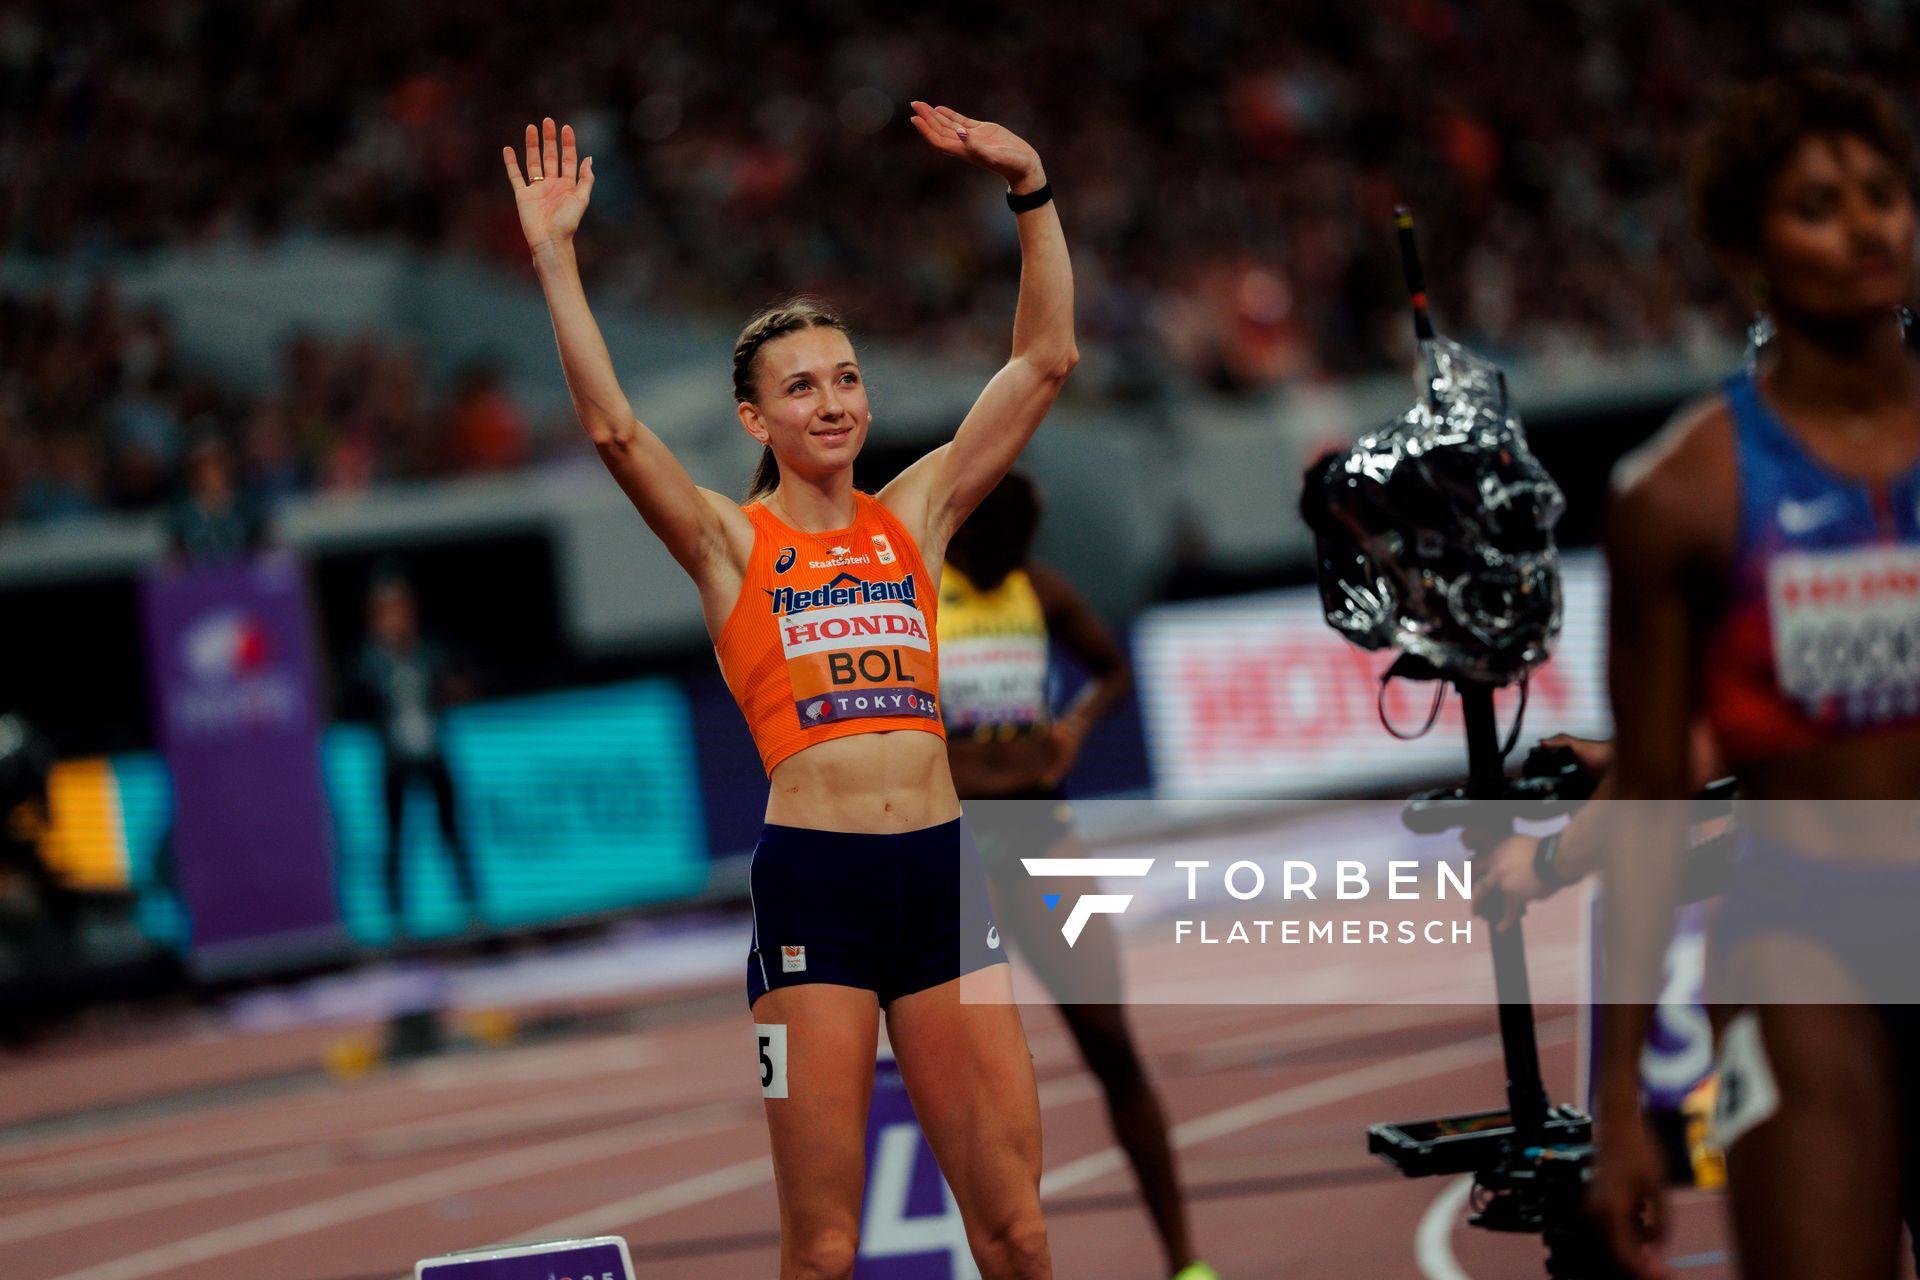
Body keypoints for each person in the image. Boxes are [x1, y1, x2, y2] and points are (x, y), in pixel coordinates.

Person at [504, 103, 1074, 1280]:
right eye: (801, 385)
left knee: (1016, 1230)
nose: (833, 400)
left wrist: (1030, 189)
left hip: (941, 879)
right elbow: (615, 430)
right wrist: (557, 259)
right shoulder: (728, 543)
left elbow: (1043, 360)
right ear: (756, 418)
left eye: (848, 376)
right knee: (821, 1248)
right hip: (817, 888)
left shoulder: (914, 514)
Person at [1589, 72, 1920, 1280]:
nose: (1866, 225)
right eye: (1819, 205)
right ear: (1748, 251)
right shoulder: (1680, 497)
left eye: (1884, 194)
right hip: (1806, 945)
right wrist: (1618, 1105)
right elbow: (1648, 811)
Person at [939, 474, 1217, 1280]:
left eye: (1027, 544)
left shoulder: (1039, 590)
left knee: (1111, 1041)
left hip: (1040, 837)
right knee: (969, 1075)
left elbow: (1112, 670)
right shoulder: (919, 594)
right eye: (1003, 543)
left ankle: (1185, 1263)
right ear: (964, 531)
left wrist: (1076, 725)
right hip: (956, 848)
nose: (1015, 559)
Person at [353, 573, 480, 940]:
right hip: (395, 760)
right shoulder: (370, 659)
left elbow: (455, 685)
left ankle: (471, 910)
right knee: (396, 838)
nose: (397, 618)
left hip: (433, 753)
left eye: (401, 610)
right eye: (388, 612)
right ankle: (396, 919)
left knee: (452, 832)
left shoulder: (427, 651)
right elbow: (355, 698)